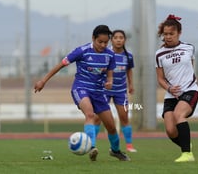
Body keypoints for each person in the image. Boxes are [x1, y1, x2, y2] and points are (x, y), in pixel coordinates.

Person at [34, 25, 130, 162]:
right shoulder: (82, 51)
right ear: (93, 38)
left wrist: (109, 82)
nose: (103, 45)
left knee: (111, 127)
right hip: (81, 88)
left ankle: (115, 151)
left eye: (105, 42)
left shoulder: (110, 55)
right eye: (100, 42)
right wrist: (43, 80)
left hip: (98, 92)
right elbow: (60, 65)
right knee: (90, 114)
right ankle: (91, 147)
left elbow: (110, 74)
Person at [155, 14, 198, 162]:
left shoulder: (189, 48)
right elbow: (160, 79)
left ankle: (187, 154)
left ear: (179, 33)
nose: (168, 37)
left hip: (189, 90)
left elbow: (190, 68)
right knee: (170, 130)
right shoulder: (159, 54)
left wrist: (186, 84)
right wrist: (169, 89)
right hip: (170, 95)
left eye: (171, 34)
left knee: (178, 115)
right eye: (165, 34)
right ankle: (186, 145)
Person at [93, 30, 137, 152]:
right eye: (116, 37)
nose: (118, 40)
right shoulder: (106, 53)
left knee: (124, 118)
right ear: (111, 40)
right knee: (97, 118)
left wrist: (131, 84)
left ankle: (129, 145)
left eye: (121, 37)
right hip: (105, 90)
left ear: (124, 40)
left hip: (121, 91)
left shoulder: (128, 56)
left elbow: (129, 70)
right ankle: (91, 144)